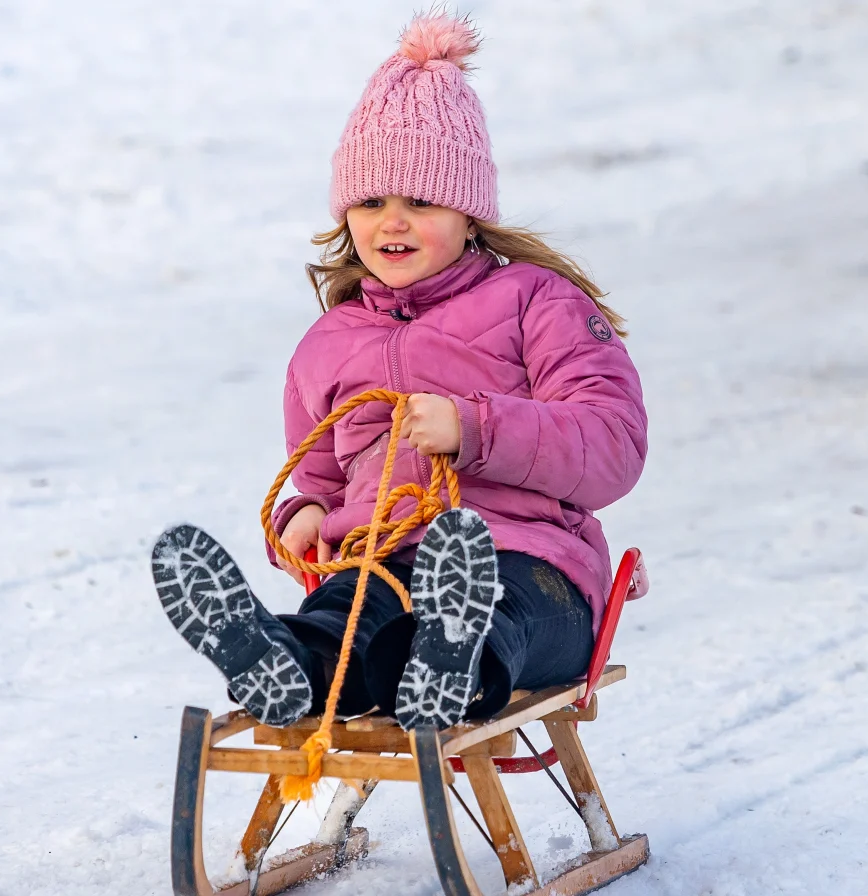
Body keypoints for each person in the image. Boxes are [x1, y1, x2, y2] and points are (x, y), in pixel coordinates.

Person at [151, 12, 647, 732]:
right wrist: (304, 517)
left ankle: (451, 658)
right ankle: (286, 661)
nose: (393, 222)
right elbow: (321, 478)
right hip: (387, 562)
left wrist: (475, 428)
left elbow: (612, 445)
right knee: (347, 615)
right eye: (371, 201)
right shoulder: (328, 344)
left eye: (421, 201)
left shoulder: (535, 302)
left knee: (497, 611)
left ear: (470, 211)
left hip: (535, 569)